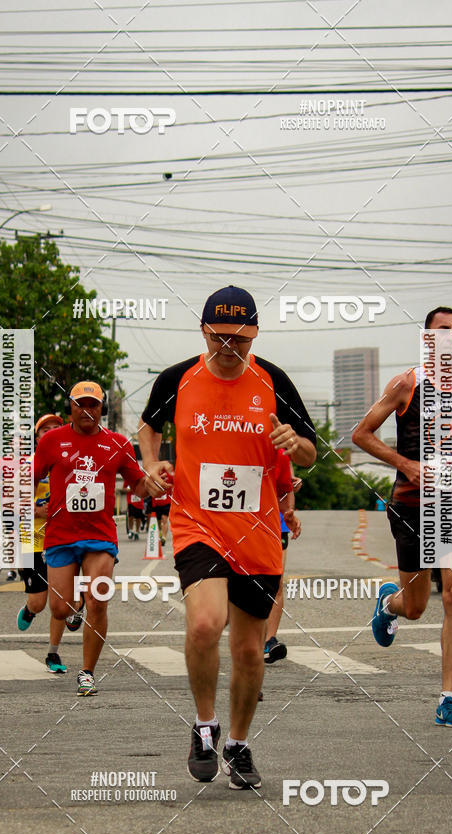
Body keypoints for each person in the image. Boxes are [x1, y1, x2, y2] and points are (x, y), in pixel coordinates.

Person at [138, 285, 317, 789]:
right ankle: (204, 725)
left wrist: (294, 441)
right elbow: (148, 428)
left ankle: (237, 743)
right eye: (219, 337)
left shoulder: (273, 381)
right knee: (204, 624)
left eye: (240, 339)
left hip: (258, 532)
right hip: (197, 522)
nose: (229, 348)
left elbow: (310, 453)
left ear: (255, 335)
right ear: (203, 332)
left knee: (247, 651)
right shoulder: (177, 379)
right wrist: (151, 465)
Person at [352, 306, 452, 727]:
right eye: (443, 330)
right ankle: (390, 604)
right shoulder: (406, 383)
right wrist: (405, 465)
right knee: (416, 606)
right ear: (426, 337)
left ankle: (447, 698)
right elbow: (361, 434)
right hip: (412, 503)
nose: (451, 337)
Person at [33, 381, 162, 696]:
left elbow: (138, 485)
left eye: (93, 404)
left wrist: (154, 484)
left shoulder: (117, 443)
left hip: (100, 536)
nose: (87, 410)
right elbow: (29, 479)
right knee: (59, 609)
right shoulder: (52, 440)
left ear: (102, 408)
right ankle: (72, 606)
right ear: (71, 408)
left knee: (98, 601)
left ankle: (87, 672)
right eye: (80, 404)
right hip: (61, 534)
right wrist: (33, 508)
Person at [17, 413, 77, 673]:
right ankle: (30, 610)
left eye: (57, 427)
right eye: (45, 429)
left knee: (60, 600)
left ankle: (53, 653)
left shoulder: (73, 462)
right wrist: (35, 510)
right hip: (31, 540)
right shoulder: (27, 465)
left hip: (62, 538)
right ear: (38, 437)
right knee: (39, 603)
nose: (51, 432)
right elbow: (11, 504)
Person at [264, 450, 302, 665]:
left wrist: (290, 510)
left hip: (276, 522)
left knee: (277, 582)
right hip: (243, 520)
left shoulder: (280, 446)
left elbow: (287, 482)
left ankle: (269, 640)